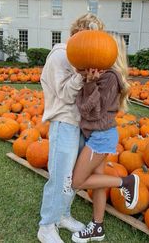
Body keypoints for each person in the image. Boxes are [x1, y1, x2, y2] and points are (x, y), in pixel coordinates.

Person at [37, 13, 105, 243]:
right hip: (64, 123)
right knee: (59, 177)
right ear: (76, 35)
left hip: (80, 125)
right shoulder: (59, 56)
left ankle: (62, 215)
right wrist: (81, 75)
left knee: (73, 178)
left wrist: (92, 79)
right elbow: (65, 95)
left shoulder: (87, 61)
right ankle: (46, 226)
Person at [71, 33, 140, 243]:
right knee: (98, 183)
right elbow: (85, 108)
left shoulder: (110, 77)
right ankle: (97, 226)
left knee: (77, 181)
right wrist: (87, 79)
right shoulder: (102, 74)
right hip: (98, 136)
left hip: (101, 137)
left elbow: (92, 112)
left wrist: (89, 85)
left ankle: (126, 182)